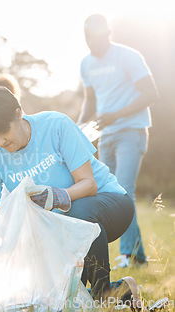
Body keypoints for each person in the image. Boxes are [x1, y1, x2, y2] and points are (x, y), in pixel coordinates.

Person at [0, 87, 141, 305]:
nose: (0, 142)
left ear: (18, 113)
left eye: (3, 132)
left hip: (108, 205)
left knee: (75, 213)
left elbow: (89, 185)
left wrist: (56, 196)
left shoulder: (55, 125)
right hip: (56, 226)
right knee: (51, 300)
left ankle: (102, 293)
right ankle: (120, 290)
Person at [78, 14, 159, 268]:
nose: (93, 44)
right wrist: (78, 129)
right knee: (109, 193)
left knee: (124, 191)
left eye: (97, 39)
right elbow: (90, 99)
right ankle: (138, 257)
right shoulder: (86, 64)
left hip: (131, 132)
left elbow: (150, 94)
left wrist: (116, 115)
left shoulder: (128, 56)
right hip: (106, 137)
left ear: (108, 34)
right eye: (88, 40)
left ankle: (128, 254)